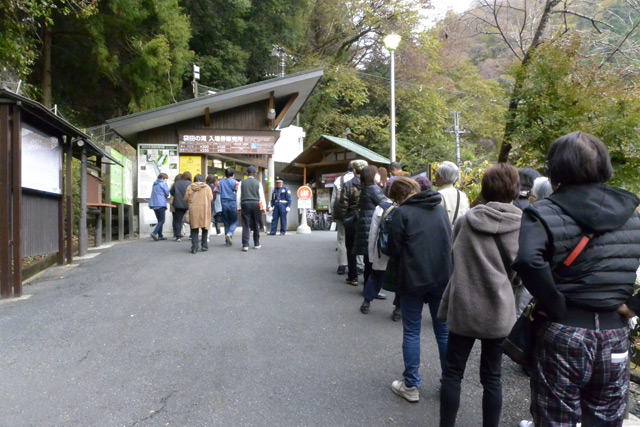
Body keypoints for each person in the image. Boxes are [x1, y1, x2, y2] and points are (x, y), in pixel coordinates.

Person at [513, 132, 640, 426]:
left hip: (564, 333)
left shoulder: (544, 211)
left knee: (555, 417)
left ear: (555, 168)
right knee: (606, 419)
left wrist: (555, 304)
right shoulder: (632, 215)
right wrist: (632, 307)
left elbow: (528, 260)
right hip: (614, 334)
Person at [438, 163, 522, 427]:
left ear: (485, 189)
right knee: (492, 378)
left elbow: (455, 256)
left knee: (452, 373)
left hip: (463, 304)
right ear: (515, 190)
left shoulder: (466, 220)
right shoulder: (521, 225)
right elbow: (521, 272)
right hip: (498, 310)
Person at [386, 177, 453, 403]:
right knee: (442, 331)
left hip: (412, 278)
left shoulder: (401, 214)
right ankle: (448, 383)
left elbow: (393, 249)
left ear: (398, 197)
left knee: (412, 331)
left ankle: (411, 385)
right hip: (442, 278)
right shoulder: (440, 209)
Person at [355, 165, 386, 301]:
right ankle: (371, 289)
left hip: (364, 225)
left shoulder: (365, 188)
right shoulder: (373, 188)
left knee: (369, 260)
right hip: (370, 226)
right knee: (372, 260)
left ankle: (368, 287)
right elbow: (384, 204)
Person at [336, 159, 368, 285]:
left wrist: (344, 218)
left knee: (350, 248)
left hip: (352, 219)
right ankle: (367, 277)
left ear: (354, 170)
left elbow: (343, 205)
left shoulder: (348, 184)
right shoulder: (371, 184)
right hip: (367, 219)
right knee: (366, 248)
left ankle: (353, 277)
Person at [332, 163, 355, 275]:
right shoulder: (360, 179)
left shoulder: (339, 180)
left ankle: (342, 264)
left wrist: (333, 213)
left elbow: (333, 200)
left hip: (342, 213)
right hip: (356, 213)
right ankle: (359, 265)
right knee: (357, 238)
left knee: (342, 238)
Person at [236, 165, 267, 252]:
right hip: (255, 204)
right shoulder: (258, 183)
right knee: (256, 223)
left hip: (245, 204)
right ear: (254, 174)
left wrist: (238, 207)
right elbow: (262, 196)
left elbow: (238, 196)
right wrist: (264, 207)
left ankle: (245, 245)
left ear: (247, 173)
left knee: (246, 224)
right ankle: (256, 243)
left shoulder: (242, 183)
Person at [184, 174, 213, 254]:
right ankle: (204, 245)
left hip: (194, 209)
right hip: (205, 209)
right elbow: (211, 198)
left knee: (194, 228)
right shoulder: (207, 187)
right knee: (205, 227)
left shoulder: (190, 187)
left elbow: (186, 198)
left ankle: (194, 247)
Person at [436, 161, 469, 227]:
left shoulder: (438, 196)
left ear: (441, 177)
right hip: (460, 235)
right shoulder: (463, 195)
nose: (435, 176)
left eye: (437, 174)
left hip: (446, 236)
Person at [218, 168, 239, 245]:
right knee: (235, 220)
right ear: (233, 174)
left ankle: (227, 240)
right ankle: (229, 234)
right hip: (233, 203)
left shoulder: (220, 182)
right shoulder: (236, 183)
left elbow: (215, 191)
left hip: (223, 203)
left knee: (226, 222)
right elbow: (238, 192)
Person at [169, 171, 192, 241]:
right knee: (191, 220)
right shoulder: (191, 184)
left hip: (178, 204)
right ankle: (192, 235)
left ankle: (178, 236)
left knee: (178, 220)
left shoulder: (176, 183)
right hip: (189, 204)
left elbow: (171, 192)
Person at [149, 173, 170, 241]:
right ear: (163, 179)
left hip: (154, 204)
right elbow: (167, 193)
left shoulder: (155, 184)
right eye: (166, 179)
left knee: (159, 220)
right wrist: (165, 196)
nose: (166, 181)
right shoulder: (163, 184)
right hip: (160, 204)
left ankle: (160, 235)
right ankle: (154, 233)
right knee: (162, 220)